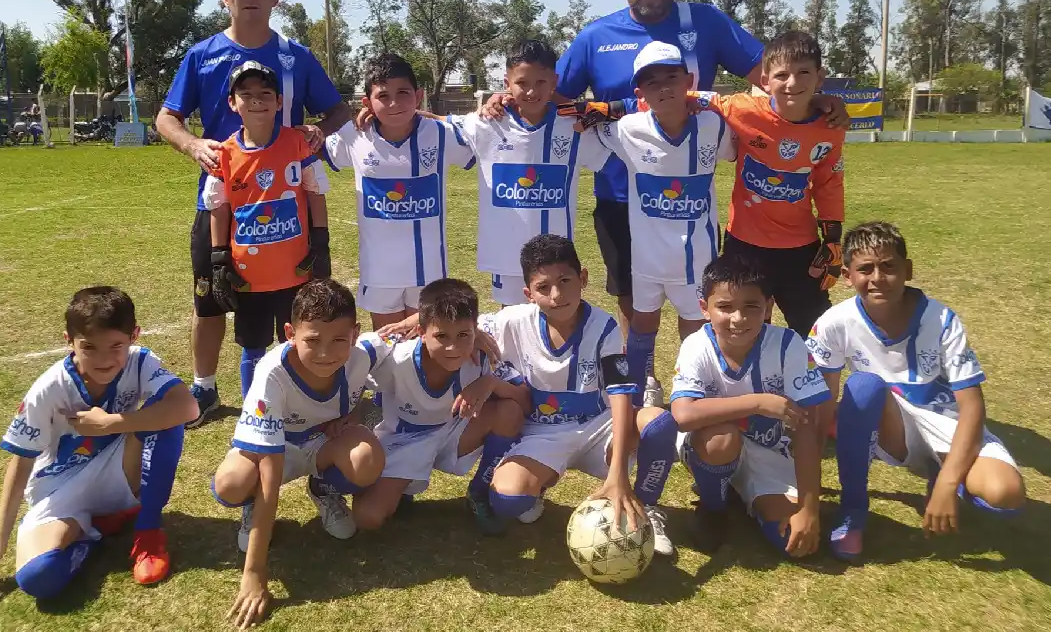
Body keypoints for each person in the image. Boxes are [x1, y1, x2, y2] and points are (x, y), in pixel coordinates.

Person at [155, 0, 349, 427]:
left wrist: (320, 133)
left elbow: (337, 110)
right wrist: (191, 144)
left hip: (288, 201)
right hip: (224, 201)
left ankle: (296, 391)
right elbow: (166, 117)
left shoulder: (295, 56)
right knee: (213, 295)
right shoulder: (202, 55)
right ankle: (203, 389)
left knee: (295, 299)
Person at [0, 287, 199, 599]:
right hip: (60, 487)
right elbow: (20, 464)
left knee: (166, 414)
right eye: (89, 347)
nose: (104, 360)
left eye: (115, 345)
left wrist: (112, 423)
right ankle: (93, 530)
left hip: (120, 471)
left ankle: (148, 534)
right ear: (69, 341)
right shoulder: (48, 389)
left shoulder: (141, 362)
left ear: (134, 336)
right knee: (38, 578)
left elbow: (188, 407)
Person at [805, 222, 1026, 560]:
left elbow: (972, 408)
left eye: (889, 266)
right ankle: (853, 512)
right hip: (894, 427)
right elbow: (821, 404)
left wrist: (949, 484)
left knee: (1005, 493)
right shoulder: (834, 322)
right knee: (863, 385)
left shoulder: (942, 320)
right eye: (865, 269)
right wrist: (809, 488)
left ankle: (942, 474)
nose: (878, 277)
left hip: (948, 426)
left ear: (907, 270)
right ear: (847, 275)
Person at [478, 234, 680, 556]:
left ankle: (645, 508)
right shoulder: (511, 321)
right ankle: (538, 484)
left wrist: (618, 478)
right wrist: (419, 319)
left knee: (658, 423)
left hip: (598, 427)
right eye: (544, 288)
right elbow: (456, 321)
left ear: (583, 278)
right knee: (508, 501)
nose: (557, 295)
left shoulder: (605, 326)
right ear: (528, 294)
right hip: (542, 434)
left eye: (565, 281)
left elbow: (620, 391)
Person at [209, 279, 387, 629]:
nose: (326, 353)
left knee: (367, 459)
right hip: (277, 451)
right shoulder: (271, 374)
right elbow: (270, 474)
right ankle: (250, 509)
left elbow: (410, 333)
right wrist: (255, 573)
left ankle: (324, 489)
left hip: (322, 446)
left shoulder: (364, 353)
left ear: (355, 332)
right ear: (290, 332)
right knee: (231, 483)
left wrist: (355, 415)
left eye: (339, 340)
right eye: (312, 341)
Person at [589, 40, 735, 402]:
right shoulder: (627, 129)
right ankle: (641, 391)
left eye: (672, 77)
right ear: (640, 92)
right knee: (642, 323)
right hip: (647, 258)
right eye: (652, 82)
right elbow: (583, 125)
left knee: (697, 326)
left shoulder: (712, 127)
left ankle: (695, 386)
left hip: (697, 258)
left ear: (689, 80)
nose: (664, 87)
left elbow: (737, 150)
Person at [669, 254, 830, 555]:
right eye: (725, 307)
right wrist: (757, 403)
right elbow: (682, 414)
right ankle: (713, 507)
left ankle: (740, 491)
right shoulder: (697, 345)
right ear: (705, 309)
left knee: (793, 545)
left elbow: (806, 426)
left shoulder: (788, 344)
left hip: (771, 451)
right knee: (721, 439)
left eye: (751, 307)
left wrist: (810, 509)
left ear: (768, 308)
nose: (738, 318)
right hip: (713, 443)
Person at [351, 278, 529, 535]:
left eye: (463, 335)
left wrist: (490, 383)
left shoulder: (481, 354)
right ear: (422, 332)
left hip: (455, 433)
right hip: (405, 441)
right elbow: (347, 360)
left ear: (475, 330)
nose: (453, 347)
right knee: (368, 518)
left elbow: (524, 400)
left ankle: (480, 492)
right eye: (441, 336)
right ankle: (399, 486)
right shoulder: (395, 357)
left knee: (508, 412)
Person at [202, 60, 330, 400]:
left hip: (296, 270)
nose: (256, 101)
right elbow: (219, 207)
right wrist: (219, 259)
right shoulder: (224, 154)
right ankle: (253, 412)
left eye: (265, 94)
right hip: (248, 275)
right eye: (246, 94)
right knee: (253, 348)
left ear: (279, 102)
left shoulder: (297, 143)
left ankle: (299, 407)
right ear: (233, 103)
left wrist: (321, 243)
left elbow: (315, 192)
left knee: (298, 341)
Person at [449, 39, 611, 305]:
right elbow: (431, 125)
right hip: (506, 256)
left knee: (557, 322)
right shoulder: (486, 123)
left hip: (558, 259)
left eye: (541, 83)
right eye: (522, 83)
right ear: (507, 82)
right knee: (512, 323)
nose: (532, 91)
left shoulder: (576, 127)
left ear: (554, 82)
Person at [322, 54, 476, 329]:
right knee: (387, 346)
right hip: (379, 270)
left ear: (418, 96)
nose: (394, 103)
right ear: (367, 103)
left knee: (426, 346)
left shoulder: (440, 133)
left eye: (403, 93)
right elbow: (310, 145)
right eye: (383, 96)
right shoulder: (355, 137)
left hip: (428, 267)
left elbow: (486, 131)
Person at [717, 30, 846, 338]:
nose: (792, 83)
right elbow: (685, 99)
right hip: (744, 245)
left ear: (820, 77)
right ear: (765, 81)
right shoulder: (742, 109)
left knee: (815, 330)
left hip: (800, 248)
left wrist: (832, 240)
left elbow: (829, 183)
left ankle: (814, 385)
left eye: (804, 73)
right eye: (782, 74)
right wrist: (620, 108)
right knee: (746, 327)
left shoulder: (830, 126)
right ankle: (751, 385)